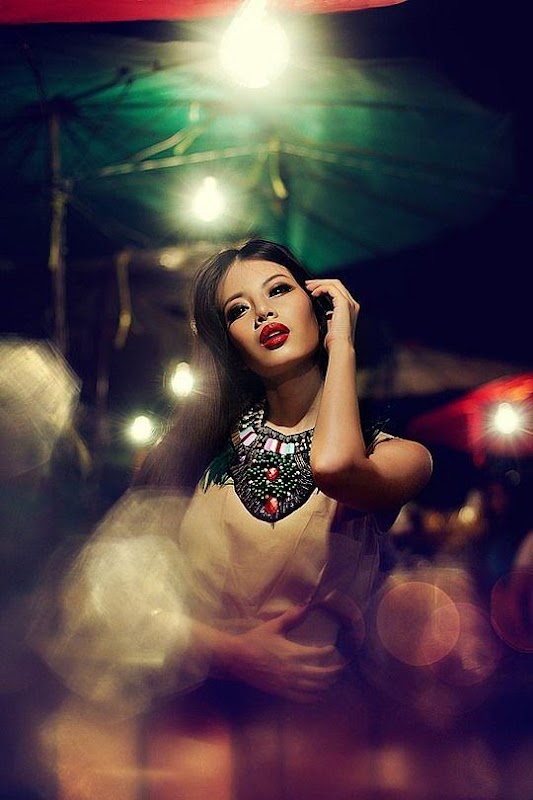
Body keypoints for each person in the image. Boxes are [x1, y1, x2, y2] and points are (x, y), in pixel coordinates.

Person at [37, 239, 433, 800]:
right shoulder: (188, 455)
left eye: (279, 291)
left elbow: (336, 467)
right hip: (195, 743)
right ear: (230, 345)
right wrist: (228, 652)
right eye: (238, 310)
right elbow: (99, 600)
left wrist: (343, 342)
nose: (264, 312)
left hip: (325, 749)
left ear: (319, 307)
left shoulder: (397, 457)